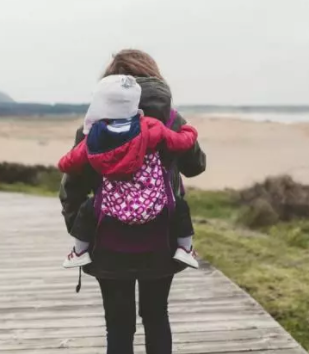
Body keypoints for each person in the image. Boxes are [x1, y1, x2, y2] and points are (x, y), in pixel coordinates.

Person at [59, 49, 206, 354]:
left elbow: (72, 185)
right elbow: (196, 166)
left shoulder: (94, 125)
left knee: (118, 323)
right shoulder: (171, 118)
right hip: (161, 238)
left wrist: (82, 231)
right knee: (156, 316)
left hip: (108, 240)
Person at [58, 74, 199, 270]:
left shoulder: (94, 136)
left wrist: (65, 162)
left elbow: (69, 163)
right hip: (153, 203)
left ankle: (79, 252)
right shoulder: (150, 127)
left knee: (86, 210)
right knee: (181, 207)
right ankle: (185, 248)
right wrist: (189, 131)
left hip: (112, 205)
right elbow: (180, 142)